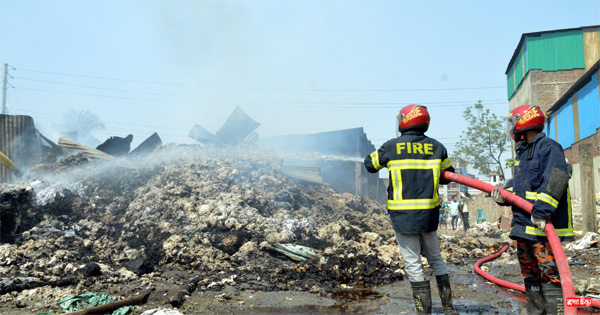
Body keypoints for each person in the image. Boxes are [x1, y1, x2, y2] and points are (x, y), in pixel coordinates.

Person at [364, 104, 458, 315]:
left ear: (404, 121)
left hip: (403, 218)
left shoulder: (391, 147)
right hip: (429, 217)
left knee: (414, 263)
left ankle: (423, 312)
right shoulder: (437, 147)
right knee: (436, 259)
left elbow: (369, 165)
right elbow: (448, 175)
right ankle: (449, 309)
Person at [491, 105, 573, 315]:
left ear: (523, 122)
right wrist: (503, 195)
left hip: (543, 227)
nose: (511, 129)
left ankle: (556, 312)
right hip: (524, 227)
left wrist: (542, 211)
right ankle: (536, 312)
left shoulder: (549, 147)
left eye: (513, 123)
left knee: (550, 273)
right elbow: (521, 186)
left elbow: (556, 179)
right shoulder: (524, 152)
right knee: (530, 273)